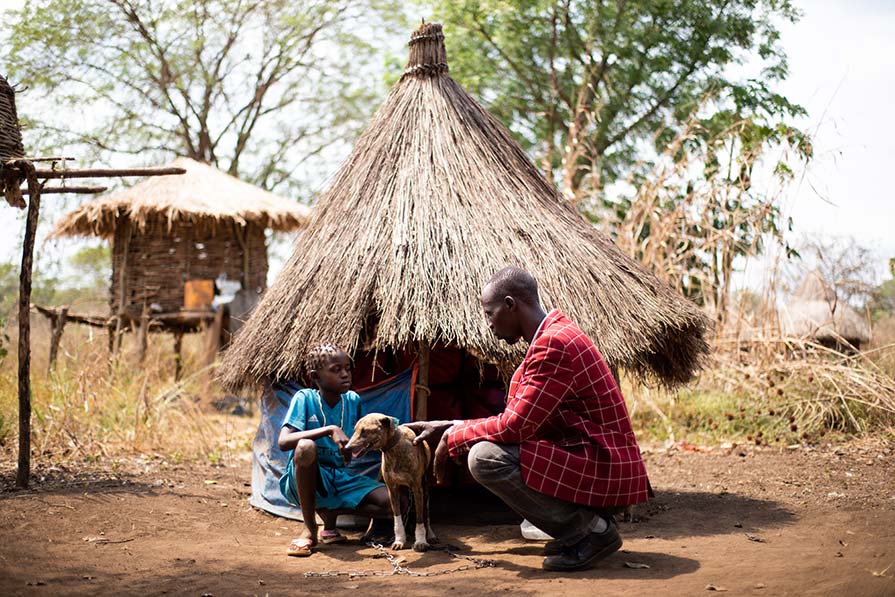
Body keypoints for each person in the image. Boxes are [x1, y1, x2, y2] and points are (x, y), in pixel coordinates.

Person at [408, 267, 651, 571]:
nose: (489, 324)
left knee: (485, 458)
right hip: (593, 456)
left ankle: (592, 532)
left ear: (510, 304)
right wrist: (453, 426)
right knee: (488, 447)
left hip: (605, 464)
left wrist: (456, 436)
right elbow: (519, 418)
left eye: (490, 313)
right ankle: (583, 527)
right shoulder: (552, 336)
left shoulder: (554, 345)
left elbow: (515, 426)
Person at [277, 343, 392, 556]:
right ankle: (310, 528)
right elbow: (284, 442)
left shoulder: (352, 400)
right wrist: (330, 429)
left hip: (339, 478)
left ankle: (331, 513)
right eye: (336, 370)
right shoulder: (305, 398)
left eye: (347, 368)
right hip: (306, 477)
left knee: (395, 503)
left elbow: (359, 439)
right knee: (305, 447)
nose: (345, 374)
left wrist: (360, 447)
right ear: (315, 376)